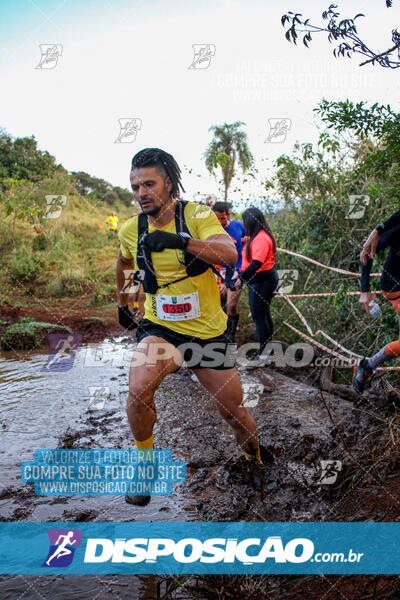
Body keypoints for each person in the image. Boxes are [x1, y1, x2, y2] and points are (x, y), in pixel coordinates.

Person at [116, 148, 268, 506]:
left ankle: (255, 460)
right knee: (138, 388)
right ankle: (146, 464)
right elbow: (123, 261)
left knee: (233, 412)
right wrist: (124, 302)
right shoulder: (130, 228)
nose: (142, 193)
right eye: (135, 187)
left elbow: (230, 255)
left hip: (207, 334)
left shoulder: (197, 215)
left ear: (168, 184)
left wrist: (179, 241)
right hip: (160, 328)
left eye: (149, 184)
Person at [353, 211, 400, 393]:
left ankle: (367, 365)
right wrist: (365, 290)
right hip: (394, 285)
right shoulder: (396, 231)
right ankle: (366, 366)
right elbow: (366, 253)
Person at [234, 207, 279, 362]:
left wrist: (241, 277)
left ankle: (263, 353)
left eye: (245, 221)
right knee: (263, 314)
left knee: (258, 315)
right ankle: (267, 347)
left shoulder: (261, 238)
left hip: (262, 280)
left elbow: (257, 263)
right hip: (259, 279)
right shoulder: (257, 235)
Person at [213, 201, 246, 342]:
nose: (220, 222)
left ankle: (231, 335)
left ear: (229, 215)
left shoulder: (238, 226)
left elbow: (249, 241)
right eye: (217, 218)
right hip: (217, 271)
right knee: (219, 305)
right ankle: (221, 334)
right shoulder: (210, 229)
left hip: (236, 271)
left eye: (223, 218)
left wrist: (246, 241)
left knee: (231, 305)